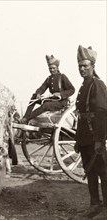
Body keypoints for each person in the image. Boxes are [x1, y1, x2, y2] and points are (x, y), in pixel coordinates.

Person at [74, 45, 107, 220]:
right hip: (85, 137)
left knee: (103, 171)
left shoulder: (98, 84)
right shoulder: (84, 85)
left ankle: (106, 208)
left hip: (95, 137)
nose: (82, 69)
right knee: (90, 171)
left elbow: (102, 113)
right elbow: (81, 116)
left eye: (85, 65)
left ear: (93, 66)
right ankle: (94, 204)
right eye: (80, 66)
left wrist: (100, 140)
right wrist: (78, 140)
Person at [20, 55, 75, 124]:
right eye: (50, 68)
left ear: (57, 68)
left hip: (61, 102)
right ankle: (25, 116)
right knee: (34, 97)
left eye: (53, 68)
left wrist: (60, 94)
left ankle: (27, 119)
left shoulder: (62, 77)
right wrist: (38, 94)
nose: (51, 70)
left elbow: (72, 90)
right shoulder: (49, 79)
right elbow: (42, 88)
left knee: (46, 105)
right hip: (52, 100)